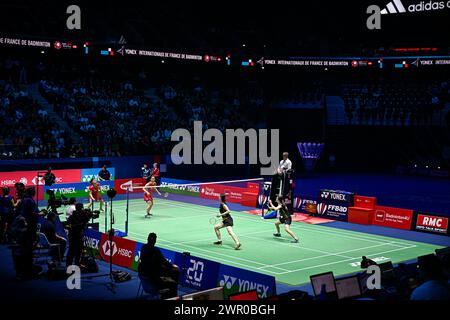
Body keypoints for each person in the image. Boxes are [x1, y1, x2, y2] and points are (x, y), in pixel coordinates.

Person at [138, 232, 180, 298]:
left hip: (145, 279)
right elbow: (164, 261)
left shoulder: (143, 247)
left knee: (165, 277)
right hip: (154, 283)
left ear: (147, 239)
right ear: (155, 241)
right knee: (173, 284)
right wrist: (172, 266)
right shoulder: (155, 250)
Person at [65, 203, 90, 268]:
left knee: (78, 251)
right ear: (81, 208)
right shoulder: (73, 216)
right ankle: (69, 265)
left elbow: (85, 222)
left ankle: (76, 264)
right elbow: (67, 226)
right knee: (72, 251)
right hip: (74, 236)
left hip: (78, 236)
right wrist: (77, 226)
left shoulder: (82, 216)